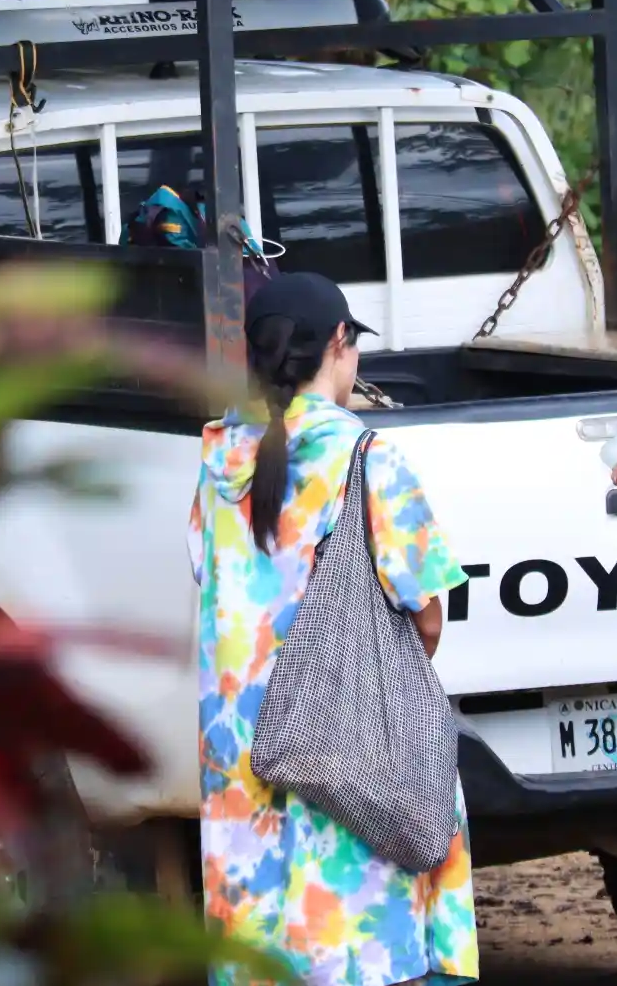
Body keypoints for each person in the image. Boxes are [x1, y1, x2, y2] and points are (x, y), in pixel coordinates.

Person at [189, 272, 478, 986]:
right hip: (348, 757)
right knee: (355, 949)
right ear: (340, 343)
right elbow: (428, 613)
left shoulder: (217, 459)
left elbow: (207, 576)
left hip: (240, 762)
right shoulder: (367, 457)